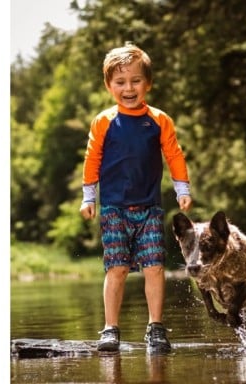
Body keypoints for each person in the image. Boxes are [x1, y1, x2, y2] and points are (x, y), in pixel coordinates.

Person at [79, 42, 193, 353]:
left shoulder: (158, 120)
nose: (128, 88)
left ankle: (156, 327)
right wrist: (89, 197)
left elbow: (174, 154)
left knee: (154, 266)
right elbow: (92, 158)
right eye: (120, 82)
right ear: (109, 85)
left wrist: (182, 189)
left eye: (135, 81)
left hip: (150, 208)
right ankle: (110, 328)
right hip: (114, 208)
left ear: (148, 83)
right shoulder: (104, 121)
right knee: (116, 268)